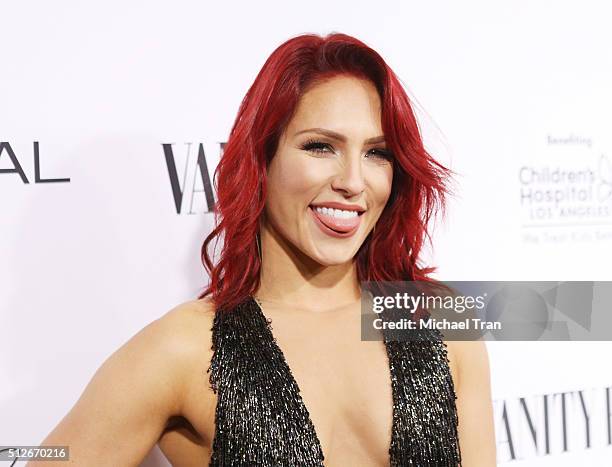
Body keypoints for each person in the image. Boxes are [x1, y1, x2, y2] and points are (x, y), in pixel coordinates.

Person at [29, 32, 496, 466]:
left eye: (377, 153)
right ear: (261, 160)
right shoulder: (183, 348)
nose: (354, 182)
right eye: (320, 147)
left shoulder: (440, 319)